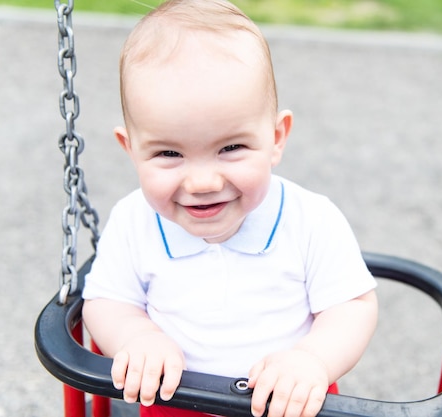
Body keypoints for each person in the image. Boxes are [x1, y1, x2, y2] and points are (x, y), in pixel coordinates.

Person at [81, 1, 378, 417]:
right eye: (169, 153)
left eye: (231, 148)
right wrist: (138, 337)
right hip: (176, 400)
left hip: (284, 402)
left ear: (276, 137)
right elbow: (106, 301)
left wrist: (313, 359)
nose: (202, 182)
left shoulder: (311, 219)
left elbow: (352, 306)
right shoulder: (133, 220)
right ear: (130, 149)